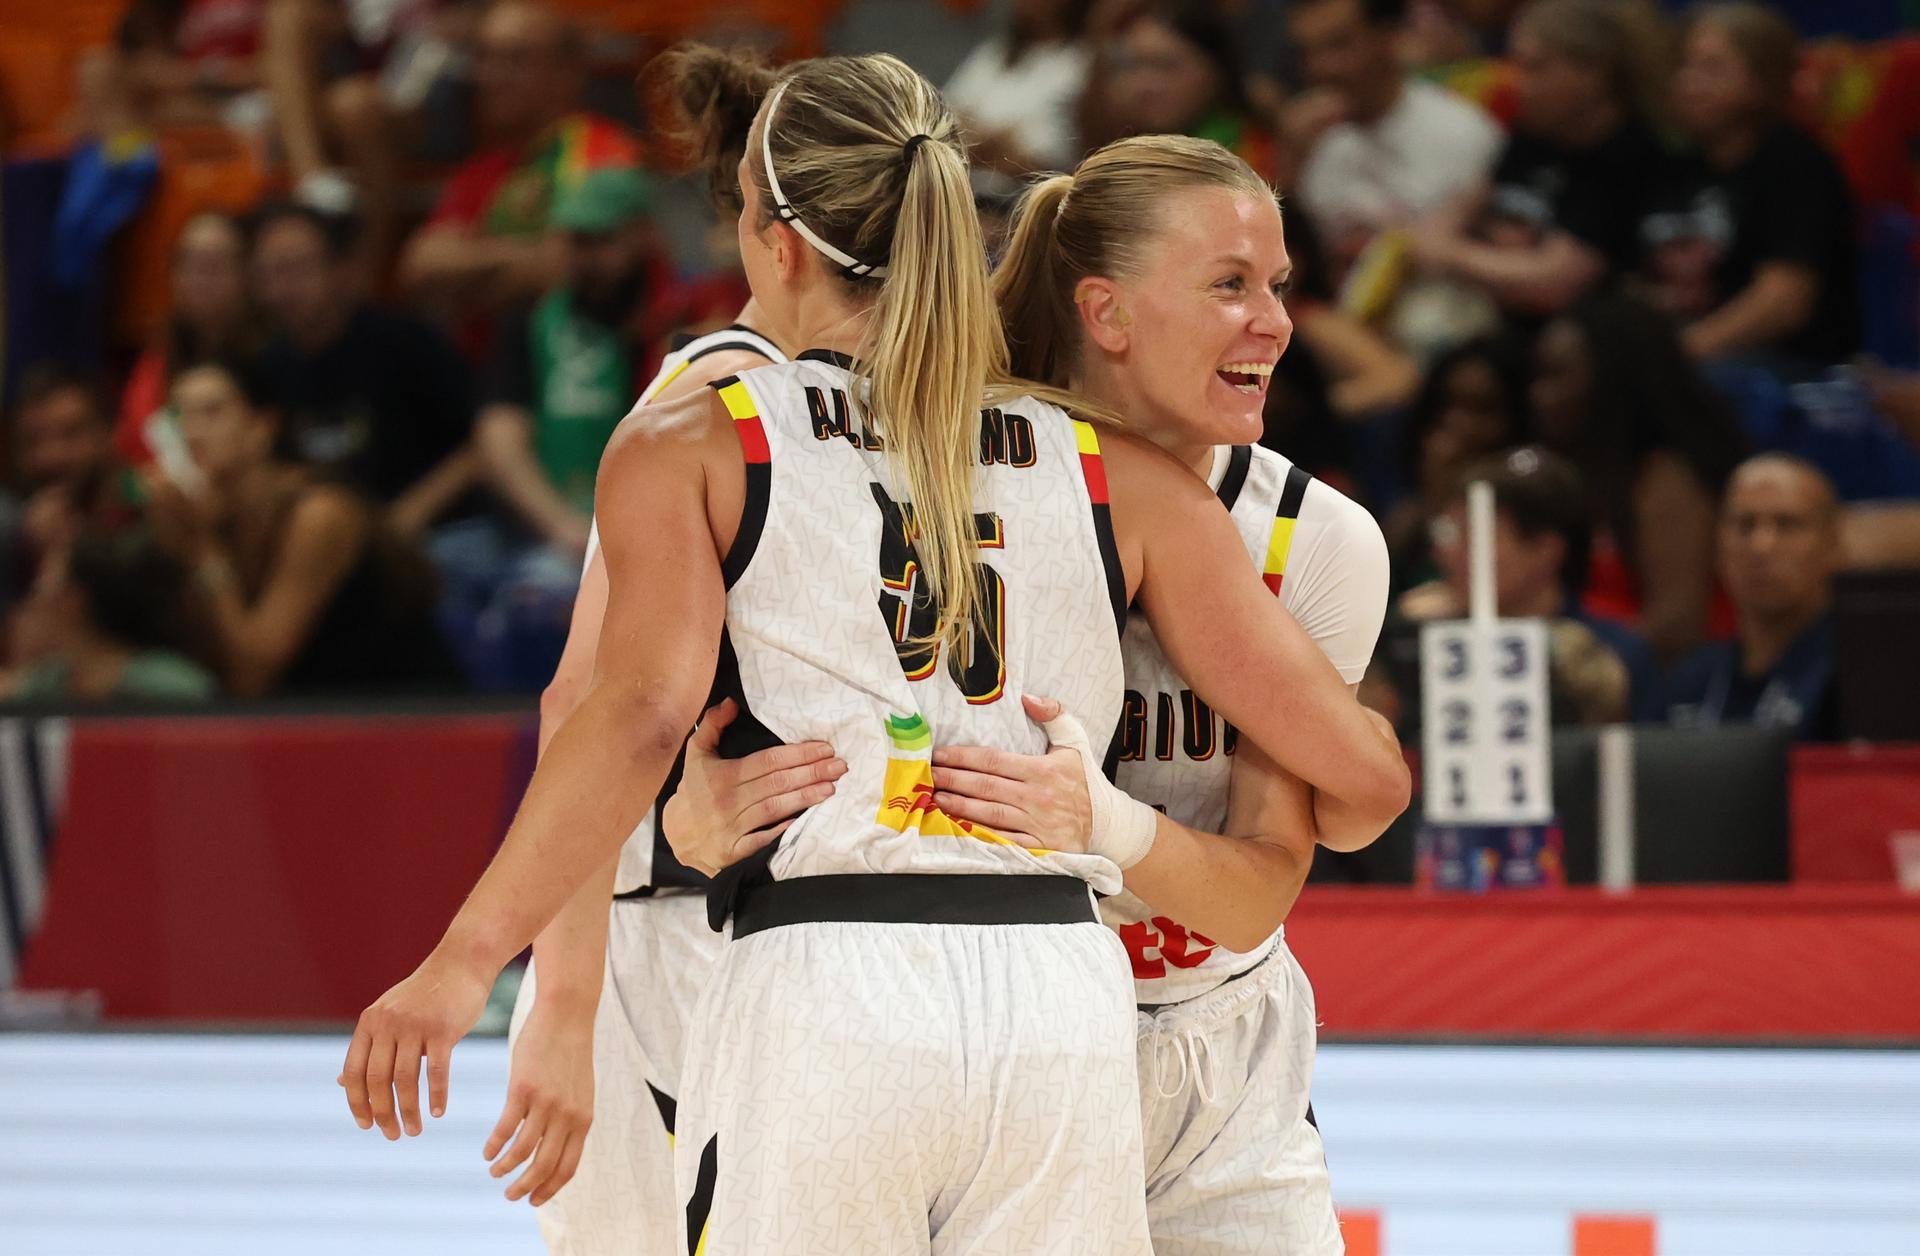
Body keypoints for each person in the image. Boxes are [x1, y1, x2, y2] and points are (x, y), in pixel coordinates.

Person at [338, 52, 1407, 1254]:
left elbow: (628, 713)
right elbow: (1364, 779)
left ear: (774, 242)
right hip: (1060, 997)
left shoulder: (702, 433)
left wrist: (465, 958)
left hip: (832, 973)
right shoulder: (1118, 468)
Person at [496, 45, 792, 1252]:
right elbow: (583, 705)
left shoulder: (877, 407)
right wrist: (564, 999)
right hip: (659, 930)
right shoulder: (710, 394)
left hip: (805, 936)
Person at [163, 357, 455, 697]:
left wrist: (204, 552)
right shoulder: (205, 515)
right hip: (306, 712)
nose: (192, 432)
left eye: (212, 412)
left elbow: (253, 675)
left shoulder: (319, 514)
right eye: (180, 416)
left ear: (262, 426)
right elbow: (200, 662)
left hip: (402, 711)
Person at [398, 0, 641, 354]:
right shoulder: (483, 167)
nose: (490, 76)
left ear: (568, 73)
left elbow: (564, 269)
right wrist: (519, 263)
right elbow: (421, 266)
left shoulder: (602, 151)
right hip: (481, 369)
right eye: (485, 57)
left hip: (574, 366)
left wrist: (473, 271)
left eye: (515, 59)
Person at [1408, 0, 1663, 319]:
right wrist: (1451, 248)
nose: (1519, 83)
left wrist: (1452, 256)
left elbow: (1555, 283)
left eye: (1536, 67)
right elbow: (1455, 213)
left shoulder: (1627, 155)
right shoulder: (1533, 130)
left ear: (1593, 71)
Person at [1639, 2, 1859, 367]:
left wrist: (1677, 356)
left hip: (1783, 367)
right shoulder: (1677, 162)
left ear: (1761, 81)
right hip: (1683, 353)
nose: (1689, 83)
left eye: (1711, 68)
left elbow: (1784, 302)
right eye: (1684, 66)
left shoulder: (1793, 162)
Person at [1530, 294, 1748, 662]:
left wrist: (1577, 669)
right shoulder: (1580, 477)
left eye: (1557, 374)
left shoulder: (1668, 480)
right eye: (1538, 375)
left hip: (1662, 686)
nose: (1538, 395)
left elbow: (1678, 626)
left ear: (1613, 378)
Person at [1382, 446, 1659, 731]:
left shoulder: (1615, 652)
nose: (1446, 553)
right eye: (1449, 533)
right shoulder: (1415, 642)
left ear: (1545, 550)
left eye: (1472, 534)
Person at [250, 199, 479, 540]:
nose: (282, 289)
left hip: (438, 531)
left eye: (297, 268)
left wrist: (408, 516)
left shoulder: (405, 342)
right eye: (269, 273)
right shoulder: (269, 364)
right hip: (331, 538)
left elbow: (480, 443)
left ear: (343, 270)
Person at [1285, 0, 1503, 280]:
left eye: (1338, 45)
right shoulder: (1307, 141)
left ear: (1388, 38)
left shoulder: (1463, 132)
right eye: (1308, 52)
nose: (1320, 67)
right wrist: (1289, 165)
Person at [1658, 454, 1841, 740]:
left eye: (1787, 524)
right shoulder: (1690, 679)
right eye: (1744, 525)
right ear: (1717, 547)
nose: (1761, 546)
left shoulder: (1858, 677)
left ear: (1833, 546)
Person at [1381, 333, 1532, 595]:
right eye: (1447, 405)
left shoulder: (1533, 511)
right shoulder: (1407, 520)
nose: (1458, 423)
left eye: (1481, 408)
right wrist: (1437, 497)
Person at [117, 211, 258, 482]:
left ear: (247, 273)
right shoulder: (159, 356)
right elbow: (130, 455)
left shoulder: (272, 356)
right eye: (189, 264)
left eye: (214, 265)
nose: (200, 278)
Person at [3, 529, 218, 704]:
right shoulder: (50, 682)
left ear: (73, 601)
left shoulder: (169, 686)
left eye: (40, 586)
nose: (32, 600)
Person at [1089, 1, 1279, 181]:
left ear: (1217, 70)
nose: (1144, 84)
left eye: (1166, 66)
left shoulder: (1252, 152)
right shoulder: (1117, 148)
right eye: (1132, 66)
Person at [943, 0, 1092, 198]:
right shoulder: (995, 52)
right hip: (959, 185)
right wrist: (990, 142)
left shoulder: (1079, 62)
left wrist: (971, 140)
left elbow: (1031, 160)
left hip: (1021, 199)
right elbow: (941, 115)